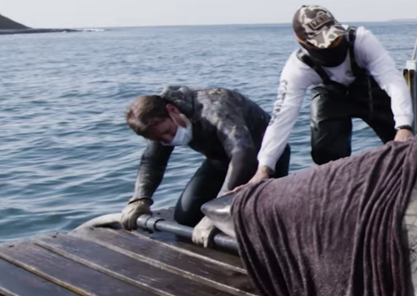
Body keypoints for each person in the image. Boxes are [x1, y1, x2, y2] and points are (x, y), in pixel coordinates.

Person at [244, 5, 415, 189]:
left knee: (405, 140)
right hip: (331, 96)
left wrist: (404, 126)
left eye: (335, 39)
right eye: (324, 44)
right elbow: (282, 117)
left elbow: (392, 80)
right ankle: (342, 188)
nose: (333, 45)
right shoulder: (297, 68)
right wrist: (264, 167)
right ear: (303, 42)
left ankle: (405, 176)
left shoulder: (361, 40)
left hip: (369, 89)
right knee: (325, 154)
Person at [120, 86, 290, 247]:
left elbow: (243, 155)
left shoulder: (214, 108)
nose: (168, 139)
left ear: (173, 110)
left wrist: (218, 213)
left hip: (262, 160)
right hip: (220, 160)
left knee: (261, 222)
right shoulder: (158, 123)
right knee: (185, 217)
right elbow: (152, 161)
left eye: (168, 132)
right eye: (160, 139)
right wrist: (140, 198)